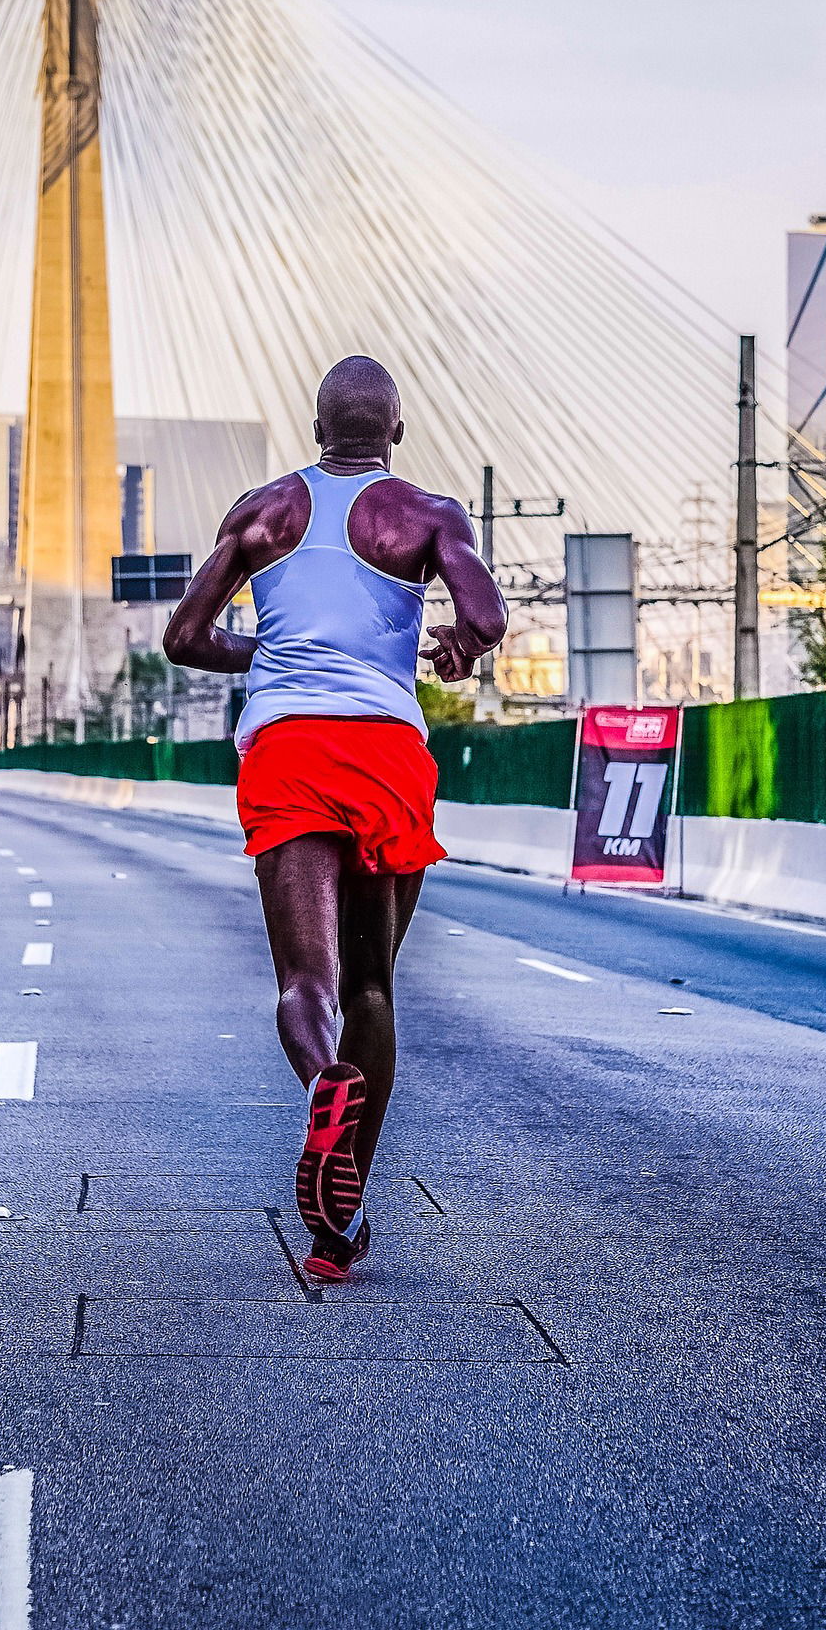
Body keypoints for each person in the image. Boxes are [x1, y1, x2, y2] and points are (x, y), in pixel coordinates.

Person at [164, 356, 507, 1280]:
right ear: (394, 430)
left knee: (302, 986)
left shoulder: (262, 510)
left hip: (288, 750)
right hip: (386, 754)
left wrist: (271, 654)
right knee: (371, 990)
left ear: (317, 429)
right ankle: (335, 1229)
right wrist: (459, 647)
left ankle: (325, 1087)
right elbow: (485, 611)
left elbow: (185, 638)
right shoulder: (429, 515)